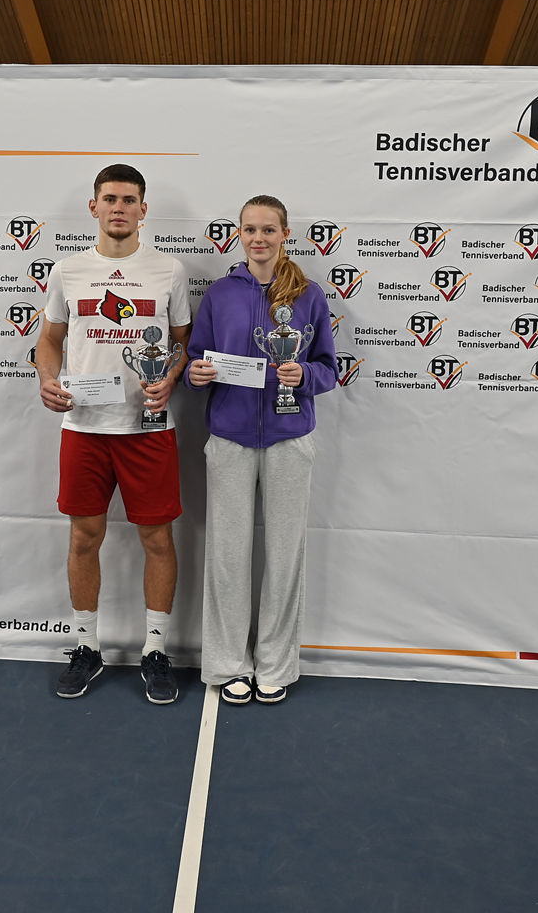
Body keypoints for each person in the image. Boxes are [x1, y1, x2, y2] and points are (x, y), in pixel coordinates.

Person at [34, 164, 191, 704]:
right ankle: (86, 648)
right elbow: (49, 340)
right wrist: (47, 378)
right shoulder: (67, 271)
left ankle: (154, 651)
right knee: (83, 538)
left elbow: (180, 343)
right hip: (84, 428)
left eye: (129, 199)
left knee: (157, 539)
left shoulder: (169, 270)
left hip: (148, 430)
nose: (119, 207)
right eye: (110, 199)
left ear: (144, 210)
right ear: (93, 207)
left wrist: (168, 377)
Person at [184, 195, 337, 705]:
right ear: (239, 234)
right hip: (229, 437)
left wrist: (304, 374)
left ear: (285, 233)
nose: (258, 238)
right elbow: (193, 360)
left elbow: (329, 369)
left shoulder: (309, 295)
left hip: (290, 437)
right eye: (249, 229)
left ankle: (275, 664)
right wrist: (197, 373)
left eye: (268, 229)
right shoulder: (221, 294)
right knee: (227, 555)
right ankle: (229, 663)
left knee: (285, 554)